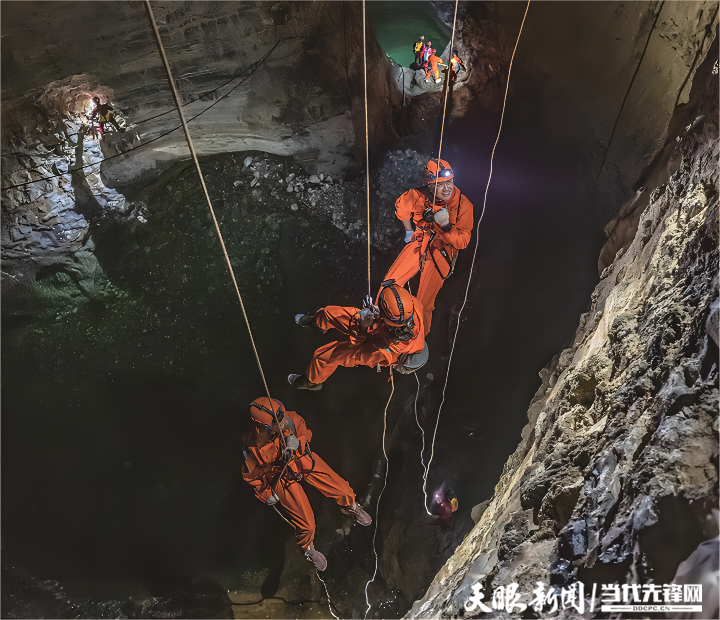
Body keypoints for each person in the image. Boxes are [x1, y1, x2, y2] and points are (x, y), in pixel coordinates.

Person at [242, 397, 372, 571]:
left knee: (342, 488)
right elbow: (252, 475)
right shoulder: (254, 447)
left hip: (301, 459)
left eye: (281, 415)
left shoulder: (291, 419)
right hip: (280, 476)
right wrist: (266, 494)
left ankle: (350, 506)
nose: (282, 421)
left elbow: (305, 432)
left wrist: (297, 444)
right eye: (276, 421)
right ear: (264, 426)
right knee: (306, 522)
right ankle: (307, 548)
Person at [382, 159, 473, 336]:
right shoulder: (417, 195)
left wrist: (446, 226)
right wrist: (409, 231)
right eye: (440, 184)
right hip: (420, 239)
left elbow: (463, 241)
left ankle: (416, 343)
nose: (447, 188)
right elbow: (402, 207)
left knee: (424, 303)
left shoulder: (463, 205)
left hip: (442, 250)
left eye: (450, 182)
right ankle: (381, 324)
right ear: (429, 185)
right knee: (389, 284)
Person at [289, 281, 426, 390]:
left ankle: (312, 382)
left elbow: (358, 345)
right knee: (333, 313)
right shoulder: (412, 307)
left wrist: (362, 326)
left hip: (377, 346)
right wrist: (376, 313)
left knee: (325, 356)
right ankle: (316, 321)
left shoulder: (384, 350)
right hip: (382, 326)